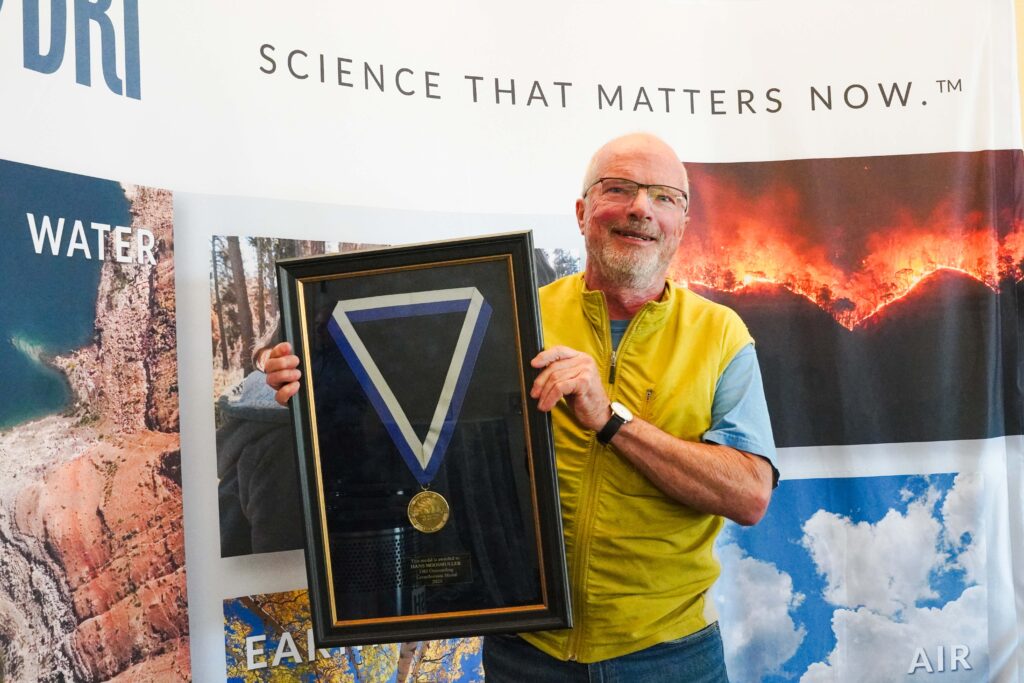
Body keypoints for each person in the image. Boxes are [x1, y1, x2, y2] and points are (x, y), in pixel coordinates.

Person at [265, 133, 777, 682]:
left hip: (672, 655)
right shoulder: (512, 311)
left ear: (682, 222)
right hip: (527, 654)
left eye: (663, 197)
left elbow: (748, 494)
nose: (639, 209)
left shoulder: (721, 334)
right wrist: (318, 378)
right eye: (618, 189)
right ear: (582, 214)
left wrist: (612, 420)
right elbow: (419, 418)